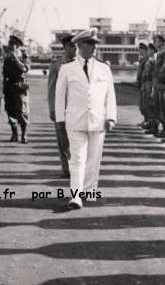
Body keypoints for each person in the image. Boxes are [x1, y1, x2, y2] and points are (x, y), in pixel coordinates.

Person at [55, 29, 116, 209]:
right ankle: (76, 196)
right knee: (77, 159)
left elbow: (110, 95)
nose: (94, 47)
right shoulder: (67, 69)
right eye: (90, 43)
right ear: (80, 45)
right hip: (75, 120)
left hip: (98, 120)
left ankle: (89, 190)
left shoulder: (104, 68)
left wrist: (111, 117)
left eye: (95, 43)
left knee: (93, 159)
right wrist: (60, 121)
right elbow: (59, 97)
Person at [48, 33, 77, 178]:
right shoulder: (57, 65)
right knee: (62, 140)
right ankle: (66, 170)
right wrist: (52, 109)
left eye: (77, 45)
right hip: (62, 108)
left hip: (78, 109)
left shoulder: (83, 64)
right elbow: (52, 88)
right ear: (65, 47)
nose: (75, 48)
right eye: (72, 45)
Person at [3, 34, 30, 143]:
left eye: (13, 44)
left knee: (22, 111)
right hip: (9, 86)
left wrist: (16, 59)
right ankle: (14, 134)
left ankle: (24, 134)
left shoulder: (23, 56)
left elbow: (24, 69)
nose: (10, 46)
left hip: (19, 87)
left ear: (17, 46)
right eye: (10, 44)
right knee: (10, 110)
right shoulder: (7, 57)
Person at [147, 34, 165, 136]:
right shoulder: (159, 54)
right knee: (157, 108)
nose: (155, 43)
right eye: (155, 41)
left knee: (163, 109)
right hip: (157, 84)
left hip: (162, 84)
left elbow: (163, 71)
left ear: (162, 42)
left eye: (157, 41)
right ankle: (159, 128)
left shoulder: (163, 54)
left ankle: (163, 129)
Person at [142, 44, 157, 132]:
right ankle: (151, 124)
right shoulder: (150, 60)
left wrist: (152, 87)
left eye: (148, 50)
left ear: (152, 51)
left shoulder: (154, 60)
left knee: (151, 105)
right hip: (146, 83)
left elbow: (154, 75)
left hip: (150, 83)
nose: (147, 52)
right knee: (147, 104)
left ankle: (154, 126)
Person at [136, 43, 149, 127]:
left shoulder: (147, 59)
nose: (139, 51)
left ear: (144, 50)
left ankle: (147, 121)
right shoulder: (142, 59)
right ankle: (145, 120)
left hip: (145, 83)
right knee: (142, 104)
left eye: (141, 49)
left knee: (145, 103)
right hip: (141, 83)